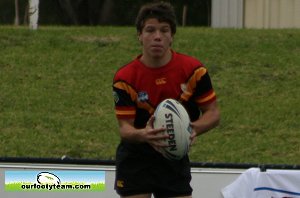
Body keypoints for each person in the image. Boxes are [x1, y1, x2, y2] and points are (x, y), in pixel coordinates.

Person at [112, 2, 220, 198]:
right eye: (150, 30)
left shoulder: (194, 71)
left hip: (174, 157)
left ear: (172, 36)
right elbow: (125, 129)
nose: (157, 37)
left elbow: (213, 113)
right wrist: (144, 134)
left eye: (164, 30)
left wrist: (192, 128)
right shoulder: (125, 78)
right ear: (139, 35)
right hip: (136, 158)